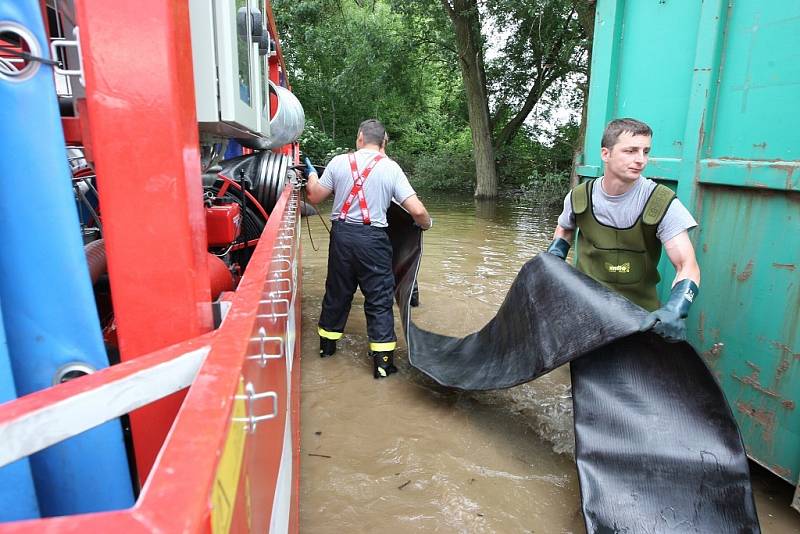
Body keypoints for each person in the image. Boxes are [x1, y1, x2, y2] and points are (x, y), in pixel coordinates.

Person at [547, 118, 700, 342]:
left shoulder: (662, 202)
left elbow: (687, 265)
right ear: (605, 154)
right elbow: (564, 230)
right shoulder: (579, 197)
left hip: (638, 319)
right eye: (630, 151)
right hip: (586, 309)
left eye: (645, 151)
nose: (641, 160)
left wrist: (677, 307)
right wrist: (553, 260)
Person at [304, 119, 432, 378]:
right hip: (373, 240)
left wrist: (311, 176)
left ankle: (326, 350)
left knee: (337, 294)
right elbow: (417, 210)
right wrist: (425, 225)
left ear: (359, 137)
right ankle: (383, 365)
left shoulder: (339, 162)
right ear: (383, 143)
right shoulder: (391, 168)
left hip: (341, 237)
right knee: (379, 299)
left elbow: (315, 196)